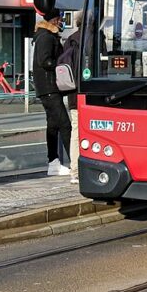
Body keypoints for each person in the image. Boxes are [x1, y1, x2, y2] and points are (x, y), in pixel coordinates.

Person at [33, 9, 71, 176]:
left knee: (53, 125)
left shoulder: (45, 35)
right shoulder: (46, 37)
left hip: (47, 88)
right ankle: (75, 166)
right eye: (60, 18)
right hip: (49, 87)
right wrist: (61, 64)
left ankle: (53, 163)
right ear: (54, 20)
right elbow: (45, 61)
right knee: (65, 124)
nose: (62, 21)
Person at [63, 11, 83, 184]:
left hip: (72, 94)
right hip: (91, 94)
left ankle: (74, 171)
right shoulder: (94, 39)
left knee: (75, 132)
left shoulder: (70, 39)